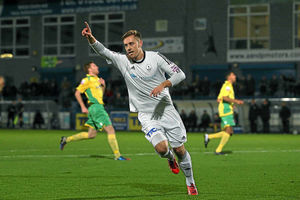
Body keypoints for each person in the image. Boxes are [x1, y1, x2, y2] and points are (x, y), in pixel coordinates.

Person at [82, 22, 198, 195]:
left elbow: (180, 74)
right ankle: (169, 158)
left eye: (131, 44)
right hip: (146, 114)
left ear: (140, 43)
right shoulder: (122, 61)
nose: (128, 48)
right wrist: (91, 38)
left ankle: (190, 181)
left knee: (180, 149)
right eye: (126, 45)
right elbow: (103, 51)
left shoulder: (156, 57)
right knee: (162, 149)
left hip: (165, 109)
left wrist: (164, 84)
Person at [60, 62, 129, 161]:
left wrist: (103, 86)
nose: (97, 67)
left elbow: (101, 96)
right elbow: (77, 93)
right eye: (94, 66)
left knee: (91, 135)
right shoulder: (86, 80)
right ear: (89, 70)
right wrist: (83, 107)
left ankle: (66, 139)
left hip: (97, 107)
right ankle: (117, 156)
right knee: (110, 130)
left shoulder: (98, 80)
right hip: (96, 108)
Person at [204, 71, 244, 155]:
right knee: (229, 131)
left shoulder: (228, 86)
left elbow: (220, 97)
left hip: (227, 109)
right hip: (225, 110)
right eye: (233, 75)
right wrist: (236, 101)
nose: (235, 76)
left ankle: (209, 137)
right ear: (229, 77)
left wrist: (232, 104)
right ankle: (218, 150)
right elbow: (225, 97)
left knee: (229, 132)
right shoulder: (227, 86)